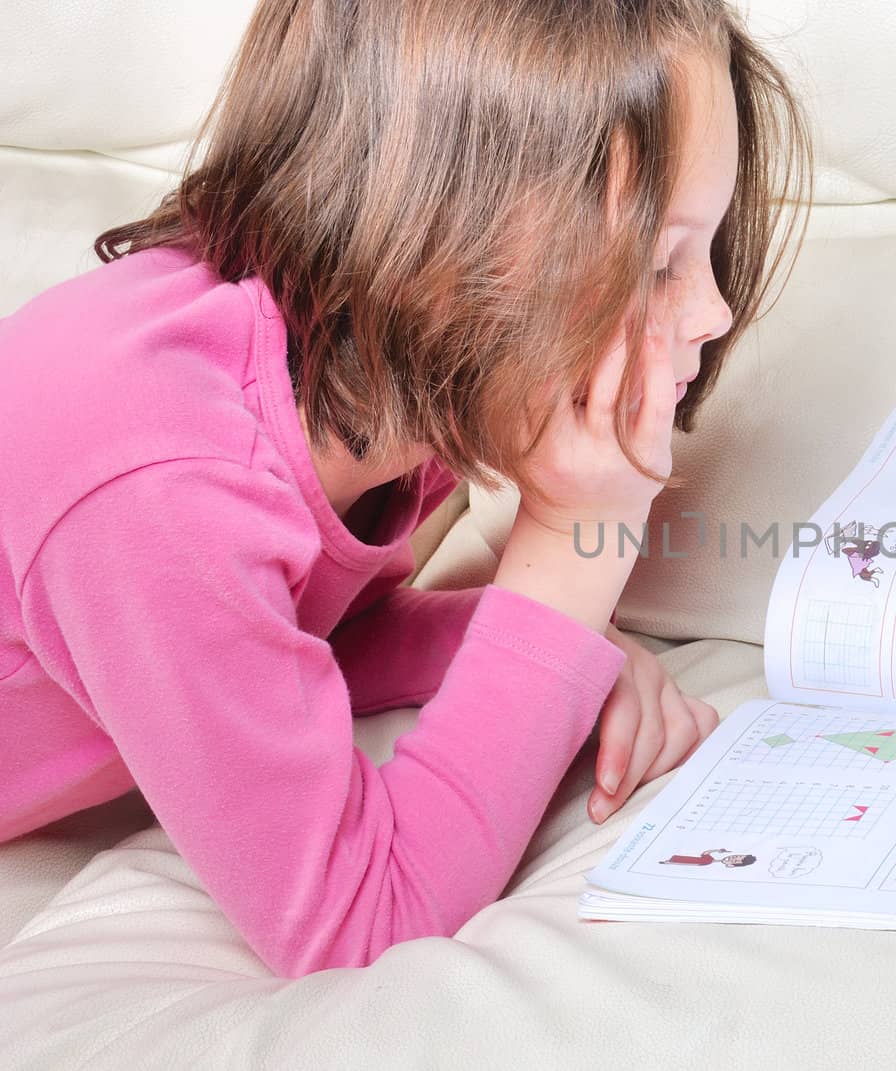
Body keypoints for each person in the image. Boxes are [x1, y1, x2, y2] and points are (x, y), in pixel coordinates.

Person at [0, 0, 810, 978]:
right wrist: (574, 543)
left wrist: (549, 647)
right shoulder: (163, 486)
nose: (713, 312)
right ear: (444, 249)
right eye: (661, 261)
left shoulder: (381, 398)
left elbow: (296, 642)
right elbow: (364, 922)